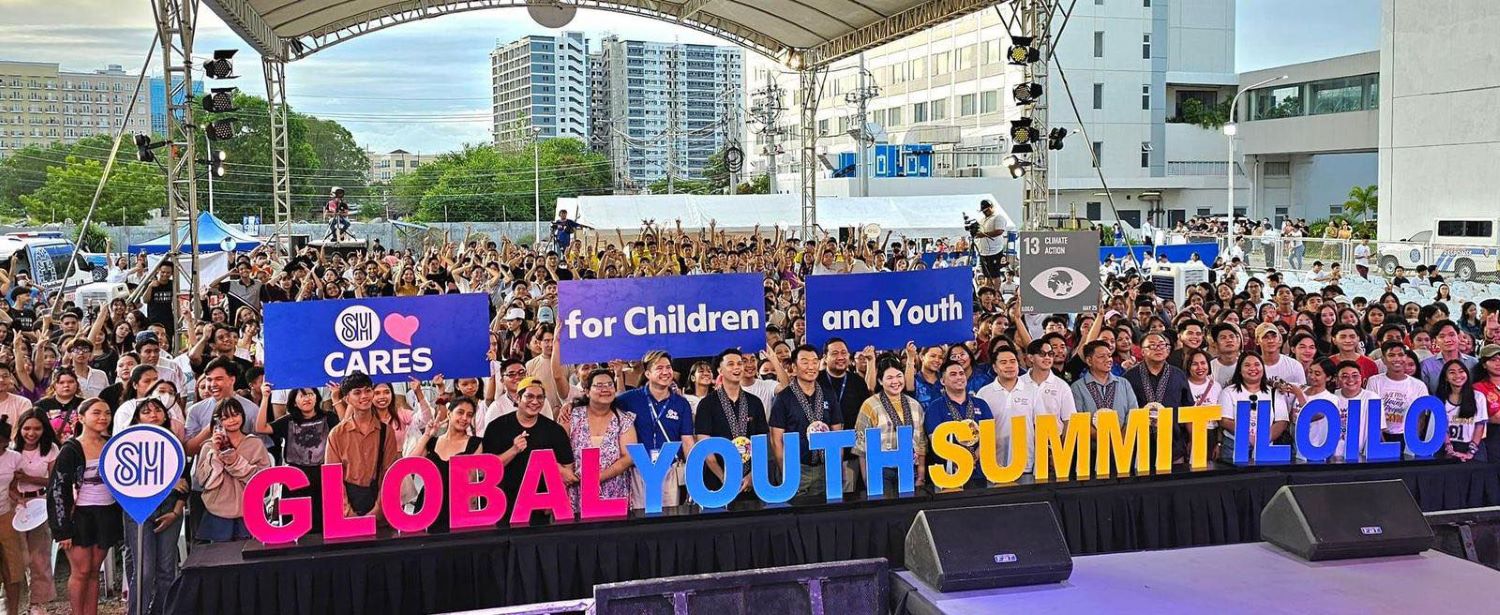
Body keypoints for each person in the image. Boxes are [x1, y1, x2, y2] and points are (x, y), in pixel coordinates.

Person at [47, 397, 118, 615]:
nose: (103, 417)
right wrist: (62, 529)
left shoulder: (113, 444)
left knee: (95, 571)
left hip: (106, 511)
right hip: (79, 514)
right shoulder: (71, 449)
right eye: (96, 413)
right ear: (82, 417)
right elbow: (57, 489)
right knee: (81, 570)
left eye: (106, 412)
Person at [122, 398, 188, 615]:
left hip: (170, 510)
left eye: (158, 410)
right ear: (137, 417)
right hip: (138, 512)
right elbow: (126, 480)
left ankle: (161, 611)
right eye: (146, 411)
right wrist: (168, 483)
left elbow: (184, 481)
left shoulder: (174, 443)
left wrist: (176, 511)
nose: (153, 415)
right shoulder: (128, 445)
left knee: (167, 570)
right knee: (144, 571)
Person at [484, 377, 576, 519]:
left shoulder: (554, 430)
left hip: (539, 508)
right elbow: (487, 470)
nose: (535, 401)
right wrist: (513, 450)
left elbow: (568, 472)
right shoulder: (497, 427)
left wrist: (554, 498)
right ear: (518, 398)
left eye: (540, 397)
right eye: (529, 396)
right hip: (502, 506)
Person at [614, 351, 695, 510]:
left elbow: (687, 441)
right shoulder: (629, 399)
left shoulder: (681, 403)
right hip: (638, 470)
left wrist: (693, 472)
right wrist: (570, 406)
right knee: (640, 520)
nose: (665, 372)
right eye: (659, 368)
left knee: (670, 519)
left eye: (668, 367)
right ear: (648, 373)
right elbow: (601, 406)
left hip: (669, 469)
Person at [255, 385, 338, 533]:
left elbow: (345, 424)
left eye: (311, 394)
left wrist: (336, 398)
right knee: (296, 529)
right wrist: (266, 397)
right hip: (295, 480)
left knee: (324, 525)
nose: (307, 398)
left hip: (323, 478)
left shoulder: (328, 417)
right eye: (302, 395)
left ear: (317, 398)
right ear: (294, 402)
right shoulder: (288, 421)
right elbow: (261, 428)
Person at [693, 349, 769, 500]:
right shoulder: (707, 404)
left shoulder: (755, 402)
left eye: (740, 363)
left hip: (752, 483)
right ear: (720, 370)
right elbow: (705, 447)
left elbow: (762, 443)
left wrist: (752, 476)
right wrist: (725, 480)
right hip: (718, 483)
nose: (737, 367)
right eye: (731, 364)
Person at [769, 344, 842, 501]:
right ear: (794, 368)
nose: (811, 366)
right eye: (805, 362)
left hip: (824, 467)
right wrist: (786, 472)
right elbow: (776, 440)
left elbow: (837, 432)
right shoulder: (784, 398)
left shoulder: (828, 393)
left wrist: (835, 466)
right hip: (796, 468)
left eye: (815, 361)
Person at [193, 398, 271, 542]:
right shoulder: (209, 447)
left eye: (235, 414)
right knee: (220, 558)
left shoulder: (255, 443)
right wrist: (215, 453)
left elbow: (263, 481)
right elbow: (205, 482)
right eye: (225, 417)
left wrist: (235, 462)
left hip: (250, 509)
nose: (232, 420)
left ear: (242, 415)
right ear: (218, 422)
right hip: (217, 511)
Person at [325, 371, 399, 521]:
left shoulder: (386, 431)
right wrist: (347, 512)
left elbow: (389, 473)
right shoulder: (336, 434)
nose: (364, 396)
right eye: (357, 393)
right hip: (347, 510)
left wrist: (379, 509)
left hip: (380, 508)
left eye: (367, 390)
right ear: (347, 399)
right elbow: (333, 478)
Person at [563, 369, 637, 513]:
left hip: (614, 490)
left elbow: (628, 457)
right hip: (577, 490)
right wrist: (564, 472)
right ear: (587, 391)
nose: (606, 389)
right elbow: (555, 448)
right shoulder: (572, 416)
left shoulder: (624, 419)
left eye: (610, 385)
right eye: (599, 385)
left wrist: (598, 477)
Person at [852, 357, 926, 495]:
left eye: (899, 376)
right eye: (889, 377)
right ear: (880, 381)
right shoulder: (870, 405)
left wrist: (921, 473)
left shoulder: (915, 405)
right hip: (881, 470)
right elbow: (861, 446)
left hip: (909, 468)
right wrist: (867, 478)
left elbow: (921, 442)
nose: (895, 381)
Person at [408, 395, 482, 532]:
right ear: (449, 413)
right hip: (428, 507)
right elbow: (410, 464)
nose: (464, 418)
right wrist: (427, 435)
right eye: (460, 412)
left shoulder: (476, 443)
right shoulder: (432, 442)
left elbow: (473, 480)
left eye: (469, 415)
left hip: (458, 508)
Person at [922, 360, 993, 488]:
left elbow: (990, 437)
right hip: (949, 475)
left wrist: (972, 459)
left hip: (981, 473)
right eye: (953, 374)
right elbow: (935, 440)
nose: (959, 377)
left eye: (961, 373)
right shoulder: (935, 407)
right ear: (943, 381)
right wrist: (960, 460)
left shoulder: (981, 404)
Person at [1218, 353, 1292, 457]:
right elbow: (1225, 421)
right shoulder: (1228, 392)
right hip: (1233, 447)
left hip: (1265, 448)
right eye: (1247, 365)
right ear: (1239, 370)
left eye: (1257, 364)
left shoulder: (1275, 393)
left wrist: (1261, 441)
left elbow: (1282, 422)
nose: (1253, 368)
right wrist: (1248, 437)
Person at [1431, 359, 1487, 462]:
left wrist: (1470, 452)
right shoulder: (1439, 399)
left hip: (1473, 446)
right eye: (1452, 372)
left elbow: (1480, 426)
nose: (1457, 375)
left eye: (1461, 371)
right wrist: (1449, 448)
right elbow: (1441, 426)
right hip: (1446, 446)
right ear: (1446, 378)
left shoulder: (1478, 397)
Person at [973, 200, 1008, 278]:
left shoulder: (998, 217)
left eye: (987, 210)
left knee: (995, 275)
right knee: (986, 275)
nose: (985, 212)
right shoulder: (982, 220)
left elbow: (999, 231)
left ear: (992, 207)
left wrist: (984, 235)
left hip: (994, 251)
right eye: (983, 211)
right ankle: (988, 288)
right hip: (984, 252)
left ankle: (995, 290)